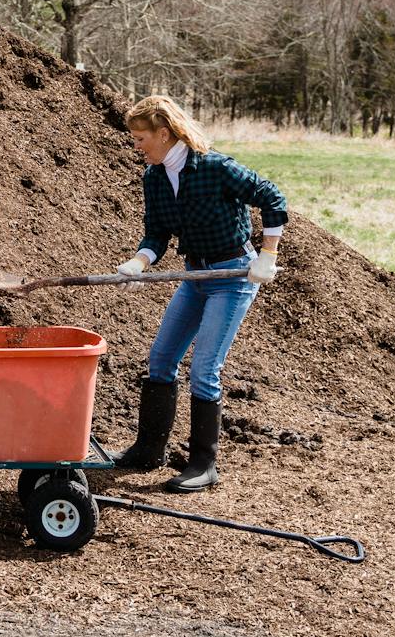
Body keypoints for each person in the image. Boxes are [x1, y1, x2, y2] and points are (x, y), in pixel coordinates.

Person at [114, 95, 286, 493]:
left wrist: (267, 254)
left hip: (232, 276)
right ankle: (147, 450)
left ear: (163, 133)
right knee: (160, 359)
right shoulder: (155, 178)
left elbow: (272, 197)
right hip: (195, 275)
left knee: (204, 370)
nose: (135, 145)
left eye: (140, 138)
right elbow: (157, 233)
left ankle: (203, 465)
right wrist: (138, 263)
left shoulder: (214, 167)